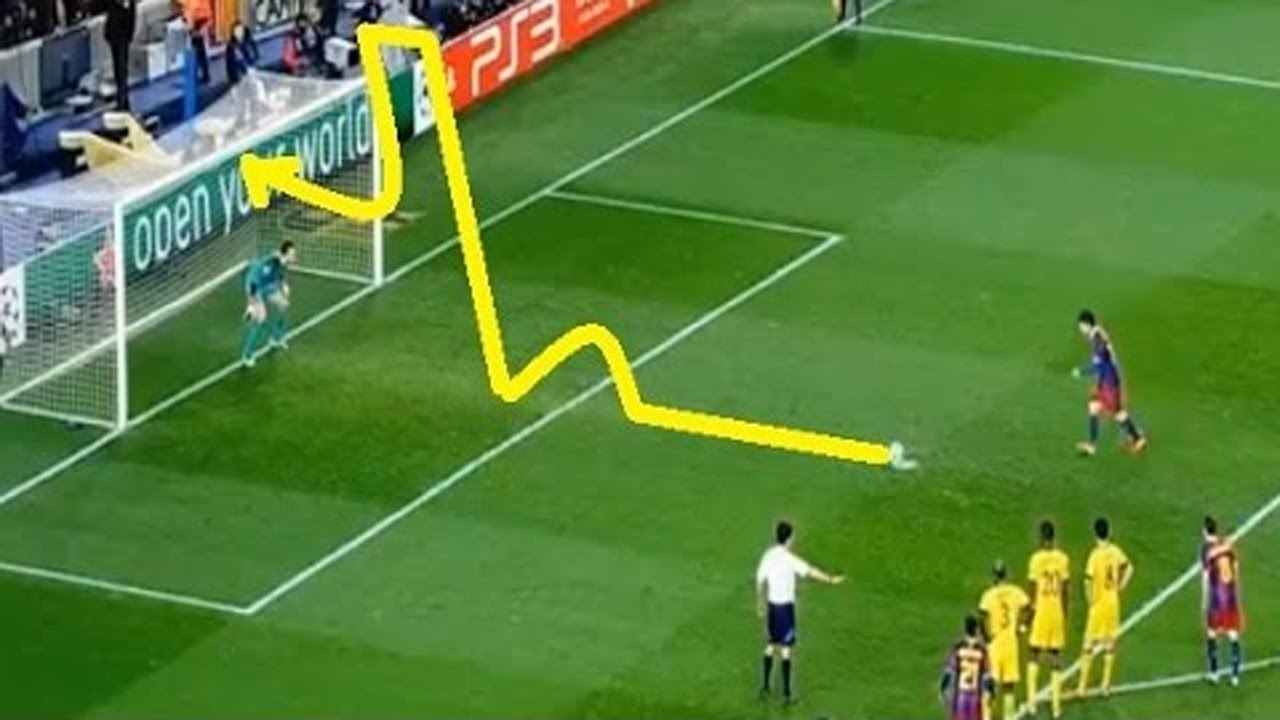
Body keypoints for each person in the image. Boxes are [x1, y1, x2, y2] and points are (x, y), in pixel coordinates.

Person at [755, 520, 844, 705]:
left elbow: (759, 580)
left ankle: (765, 686)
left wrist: (760, 603)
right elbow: (810, 571)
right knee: (786, 649)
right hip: (785, 609)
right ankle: (787, 693)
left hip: (773, 607)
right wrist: (831, 579)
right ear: (788, 538)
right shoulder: (790, 559)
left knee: (771, 644)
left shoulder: (768, 556)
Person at [1072, 310, 1146, 456]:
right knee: (1093, 406)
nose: (1080, 329)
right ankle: (1092, 445)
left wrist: (1081, 372)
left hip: (1109, 383)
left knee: (1117, 413)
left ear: (1087, 324)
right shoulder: (1097, 334)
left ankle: (1138, 438)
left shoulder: (1097, 340)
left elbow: (1099, 366)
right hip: (1105, 380)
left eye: (1081, 326)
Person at [1076, 518, 1133, 698]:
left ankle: (1082, 687)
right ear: (1109, 532)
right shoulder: (1115, 551)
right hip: (1113, 603)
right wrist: (1120, 586)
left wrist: (1090, 600)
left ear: (1095, 534)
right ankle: (1105, 686)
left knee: (1088, 644)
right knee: (1110, 644)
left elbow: (1087, 581)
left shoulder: (1095, 555)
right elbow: (1129, 568)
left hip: (1099, 604)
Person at [1026, 520, 1069, 720]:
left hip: (1041, 611)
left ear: (1041, 537)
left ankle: (1032, 704)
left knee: (1033, 653)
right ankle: (1056, 707)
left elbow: (1032, 592)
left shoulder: (1036, 560)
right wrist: (1065, 613)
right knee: (1056, 656)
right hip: (1056, 611)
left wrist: (1028, 617)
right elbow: (1066, 590)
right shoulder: (1063, 559)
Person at [978, 561, 1029, 719]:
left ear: (994, 576)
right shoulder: (1015, 592)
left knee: (990, 684)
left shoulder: (989, 595)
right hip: (1011, 643)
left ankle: (987, 717)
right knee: (1009, 686)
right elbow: (1029, 608)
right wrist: (1023, 626)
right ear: (1005, 575)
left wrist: (987, 637)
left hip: (995, 644)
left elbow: (982, 617)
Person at [1201, 516, 1244, 686]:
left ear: (1205, 531)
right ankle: (1235, 676)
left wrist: (1204, 600)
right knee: (1233, 635)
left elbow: (1205, 577)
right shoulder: (1227, 546)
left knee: (1212, 634)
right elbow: (1236, 569)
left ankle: (1214, 673)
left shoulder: (1206, 549)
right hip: (1230, 596)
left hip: (1217, 599)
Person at [241, 241, 296, 367]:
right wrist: (251, 305)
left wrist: (284, 285)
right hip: (255, 288)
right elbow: (253, 284)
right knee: (261, 318)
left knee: (283, 305)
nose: (294, 257)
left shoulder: (283, 262)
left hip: (268, 286)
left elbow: (280, 274)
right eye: (292, 254)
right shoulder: (267, 263)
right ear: (284, 254)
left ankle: (275, 338)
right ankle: (247, 355)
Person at [939, 615, 994, 720]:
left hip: (960, 695)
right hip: (975, 695)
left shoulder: (959, 647)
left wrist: (942, 687)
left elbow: (949, 670)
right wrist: (991, 691)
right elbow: (987, 674)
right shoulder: (981, 650)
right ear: (976, 629)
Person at [102, 0, 137, 110]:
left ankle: (122, 101)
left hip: (122, 35)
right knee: (118, 68)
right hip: (115, 34)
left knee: (121, 69)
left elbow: (131, 16)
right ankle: (123, 100)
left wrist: (129, 34)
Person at [182, 0, 212, 84]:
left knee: (199, 50)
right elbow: (186, 9)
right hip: (194, 21)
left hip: (199, 21)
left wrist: (206, 25)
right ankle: (200, 74)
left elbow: (206, 12)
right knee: (197, 50)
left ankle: (203, 75)